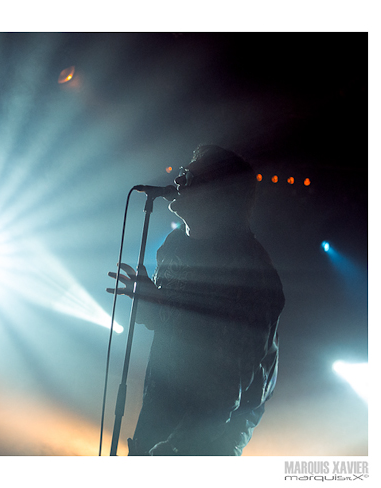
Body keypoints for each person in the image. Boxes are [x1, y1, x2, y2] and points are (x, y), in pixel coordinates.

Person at [107, 145, 285, 455]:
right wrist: (150, 303)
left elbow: (232, 377)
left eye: (189, 176)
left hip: (215, 428)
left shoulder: (249, 270)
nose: (177, 181)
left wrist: (179, 446)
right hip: (162, 401)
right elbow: (179, 322)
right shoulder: (175, 245)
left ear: (219, 193)